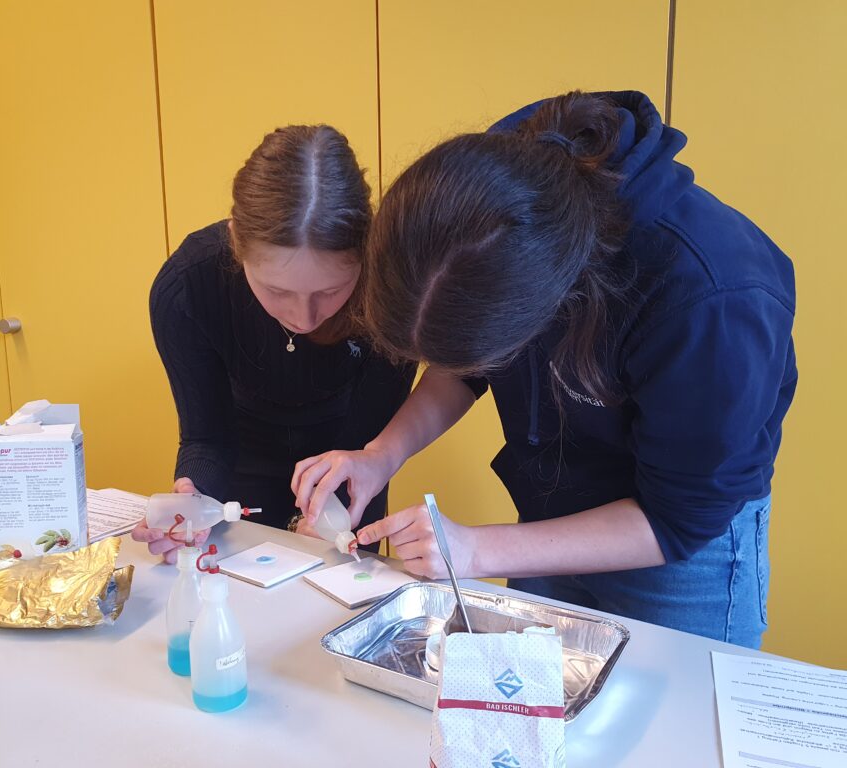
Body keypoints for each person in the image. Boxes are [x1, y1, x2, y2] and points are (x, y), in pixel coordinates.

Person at [292, 92, 796, 648]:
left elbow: (677, 519)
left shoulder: (711, 299)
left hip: (674, 547)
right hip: (551, 510)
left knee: (674, 702)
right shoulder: (489, 209)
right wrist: (381, 455)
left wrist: (476, 550)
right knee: (534, 691)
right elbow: (466, 367)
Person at [132, 125, 415, 563]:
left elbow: (368, 440)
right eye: (277, 291)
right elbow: (206, 436)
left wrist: (327, 512)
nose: (304, 318)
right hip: (240, 455)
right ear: (236, 243)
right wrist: (192, 496)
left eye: (330, 291)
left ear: (365, 256)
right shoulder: (188, 287)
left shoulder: (392, 288)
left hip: (350, 455)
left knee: (339, 585)